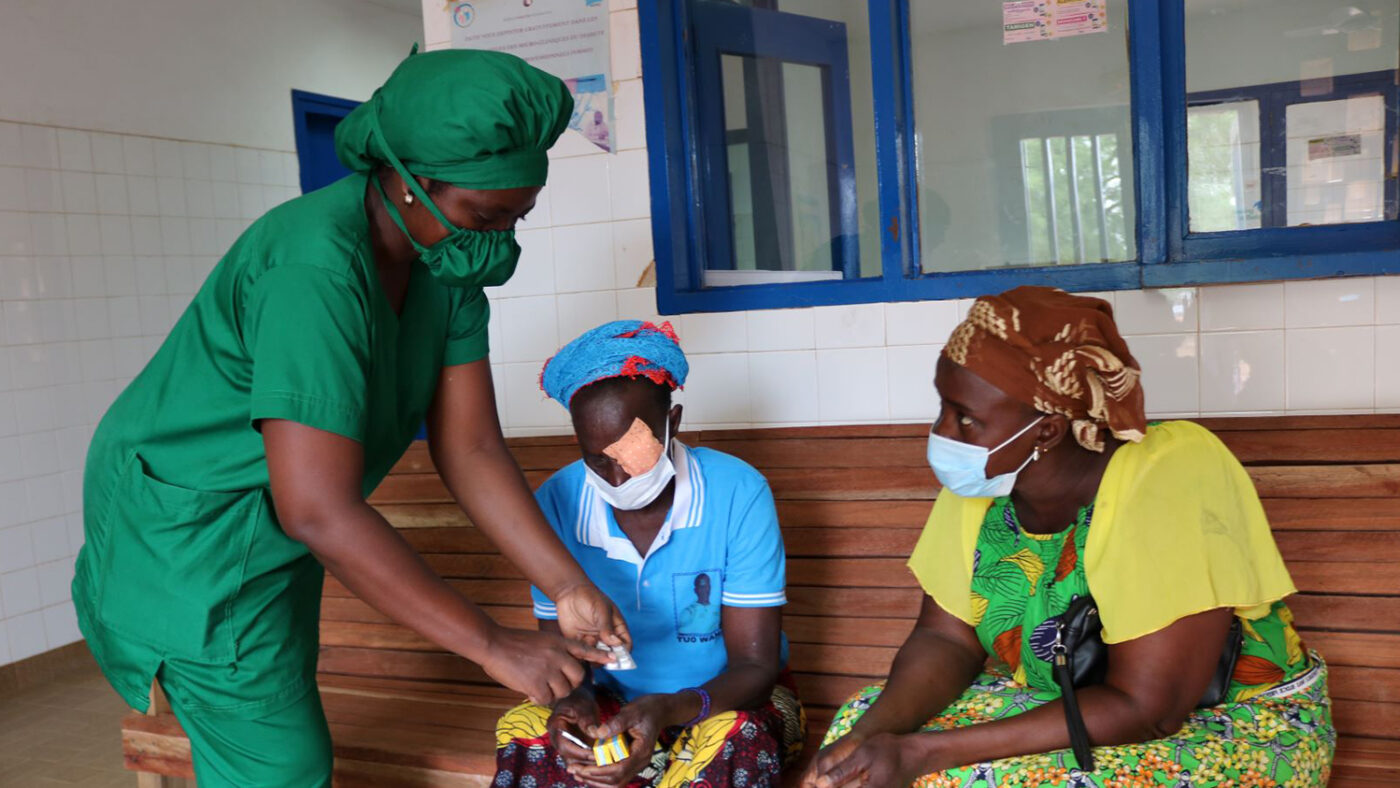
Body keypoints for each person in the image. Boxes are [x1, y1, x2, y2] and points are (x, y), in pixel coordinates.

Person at [72, 49, 629, 788]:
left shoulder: (447, 265)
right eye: (486, 215)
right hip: (188, 540)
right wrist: (493, 644)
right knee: (284, 765)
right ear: (407, 183)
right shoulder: (314, 270)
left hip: (272, 532)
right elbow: (319, 509)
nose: (499, 243)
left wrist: (566, 585)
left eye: (517, 217)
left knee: (272, 726)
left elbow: (471, 448)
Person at [804, 286, 1334, 788]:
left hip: (1229, 725)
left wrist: (923, 751)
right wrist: (868, 737)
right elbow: (945, 639)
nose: (943, 433)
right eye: (942, 407)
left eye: (965, 420)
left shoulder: (1170, 473)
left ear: (1047, 431)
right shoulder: (983, 481)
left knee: (956, 775)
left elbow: (1150, 708)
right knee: (859, 734)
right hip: (1060, 701)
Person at [495, 320, 806, 788]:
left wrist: (667, 709)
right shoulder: (556, 502)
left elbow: (755, 668)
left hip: (724, 703)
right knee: (524, 733)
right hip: (613, 706)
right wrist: (573, 702)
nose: (617, 480)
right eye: (597, 460)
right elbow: (565, 656)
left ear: (672, 424)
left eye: (631, 455)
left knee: (739, 741)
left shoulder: (737, 492)